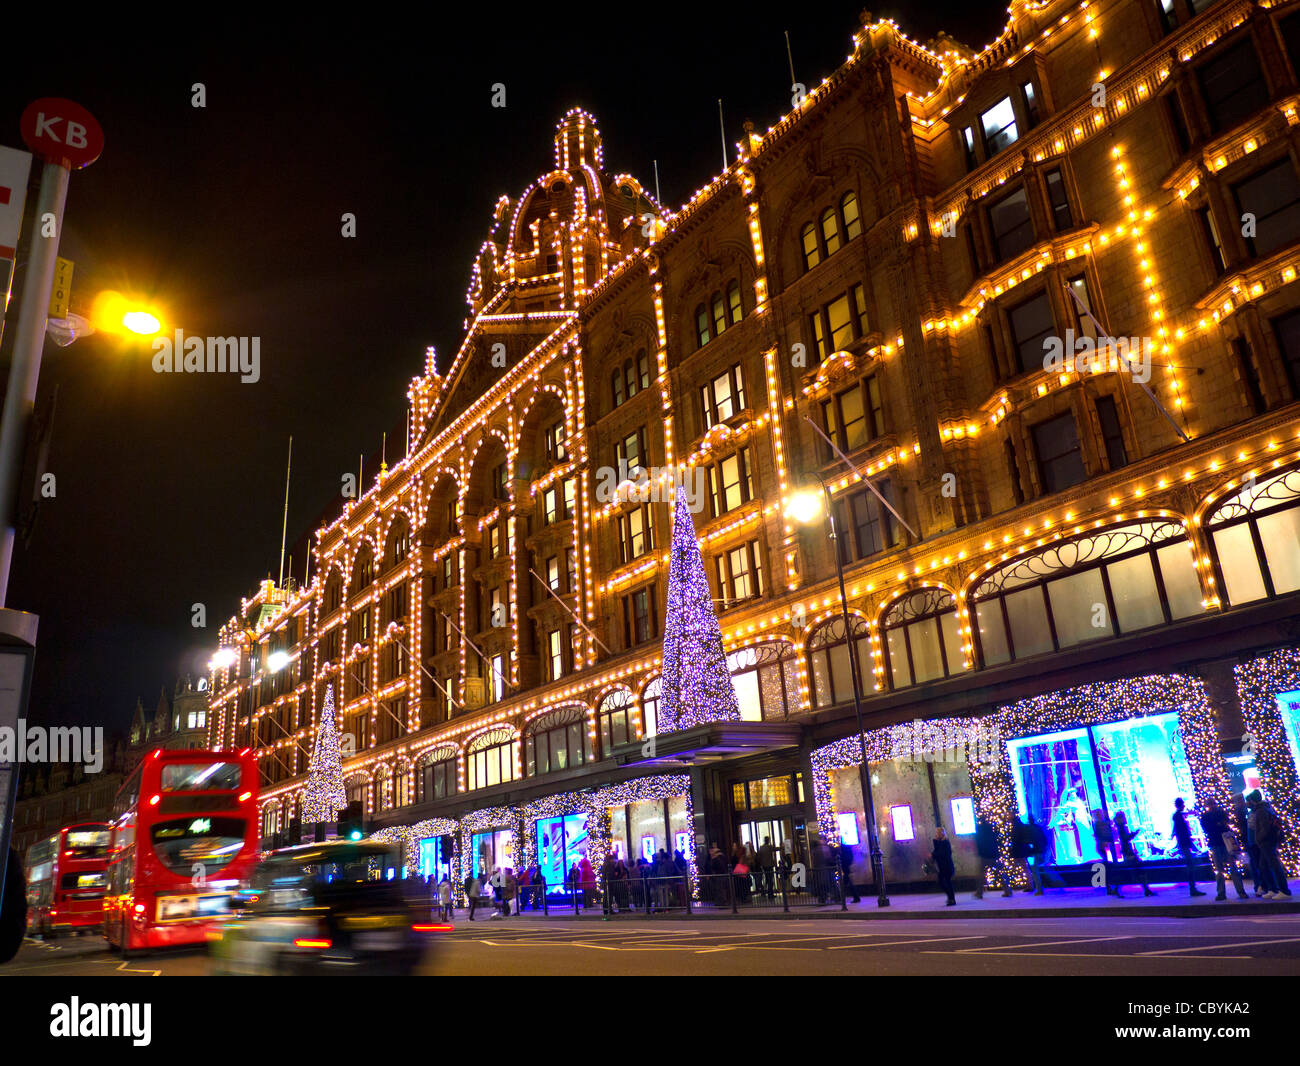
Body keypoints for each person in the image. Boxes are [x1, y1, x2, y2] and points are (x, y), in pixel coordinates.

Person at [1200, 797, 1248, 901]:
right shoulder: (1212, 815)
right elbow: (1212, 828)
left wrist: (1218, 825)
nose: (1212, 806)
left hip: (1221, 843)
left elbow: (1216, 827)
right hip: (1218, 843)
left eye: (1213, 804)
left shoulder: (1213, 815)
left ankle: (1237, 892)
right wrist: (1219, 825)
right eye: (1210, 804)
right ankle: (1225, 893)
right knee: (1222, 870)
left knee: (1230, 868)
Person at [1249, 791, 1292, 898]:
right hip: (1268, 841)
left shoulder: (1261, 811)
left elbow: (1264, 828)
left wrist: (1258, 838)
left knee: (1274, 865)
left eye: (1248, 801)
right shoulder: (1265, 808)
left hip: (1266, 842)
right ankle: (1272, 889)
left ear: (1252, 801)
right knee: (1263, 865)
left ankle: (1284, 890)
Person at [1112, 811, 1155, 898]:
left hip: (1127, 851)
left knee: (1133, 871)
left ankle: (1117, 889)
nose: (1124, 819)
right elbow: (1126, 838)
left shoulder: (1121, 828)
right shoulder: (1121, 828)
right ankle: (1146, 889)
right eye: (1123, 817)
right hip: (1128, 852)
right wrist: (1135, 833)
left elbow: (1125, 839)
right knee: (1137, 870)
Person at [1172, 798, 1206, 896]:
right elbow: (1182, 831)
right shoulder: (1178, 816)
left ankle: (1192, 888)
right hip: (1184, 843)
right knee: (1190, 865)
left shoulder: (1178, 815)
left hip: (1184, 843)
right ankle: (1192, 888)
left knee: (1190, 865)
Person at [973, 815, 1012, 899]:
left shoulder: (979, 830)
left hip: (984, 855)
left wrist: (979, 852)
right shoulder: (992, 829)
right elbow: (997, 840)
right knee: (1000, 873)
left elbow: (978, 842)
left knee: (981, 875)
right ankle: (1007, 890)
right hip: (994, 854)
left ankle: (979, 892)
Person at [931, 826, 957, 906]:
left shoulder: (945, 842)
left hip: (947, 866)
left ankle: (951, 899)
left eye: (938, 833)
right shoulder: (938, 842)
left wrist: (933, 854)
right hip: (942, 867)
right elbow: (936, 852)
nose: (936, 834)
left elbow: (941, 853)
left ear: (941, 833)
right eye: (936, 833)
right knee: (941, 882)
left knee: (947, 882)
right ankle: (950, 897)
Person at [838, 839, 860, 904]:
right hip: (848, 868)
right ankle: (854, 897)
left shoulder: (843, 852)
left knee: (846, 884)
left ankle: (841, 897)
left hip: (846, 869)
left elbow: (843, 860)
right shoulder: (848, 850)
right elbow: (850, 858)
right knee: (847, 883)